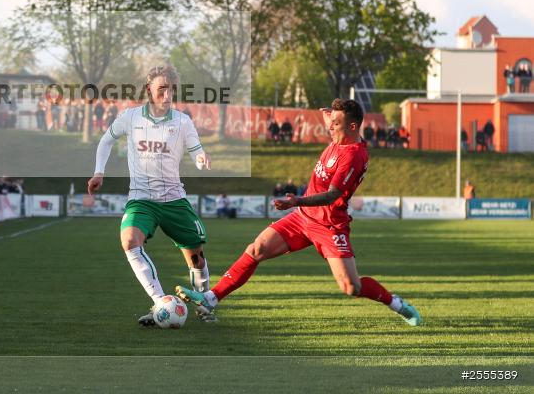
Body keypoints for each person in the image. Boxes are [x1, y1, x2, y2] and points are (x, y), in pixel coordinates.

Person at [175, 98, 422, 327]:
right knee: (257, 249)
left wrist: (297, 201)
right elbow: (335, 124)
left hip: (329, 225)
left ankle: (397, 304)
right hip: (303, 217)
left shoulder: (354, 155)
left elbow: (332, 195)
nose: (330, 127)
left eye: (336, 123)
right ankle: (211, 298)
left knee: (351, 286)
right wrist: (331, 116)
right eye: (331, 122)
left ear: (353, 126)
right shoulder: (341, 138)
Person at [87, 65, 214, 326]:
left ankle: (204, 306)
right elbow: (106, 140)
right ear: (149, 89)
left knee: (196, 257)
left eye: (171, 90)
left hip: (174, 200)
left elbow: (196, 151)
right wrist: (99, 172)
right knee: (129, 241)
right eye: (161, 89)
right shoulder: (130, 117)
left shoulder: (183, 121)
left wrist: (201, 160)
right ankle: (161, 303)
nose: (167, 95)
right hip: (141, 200)